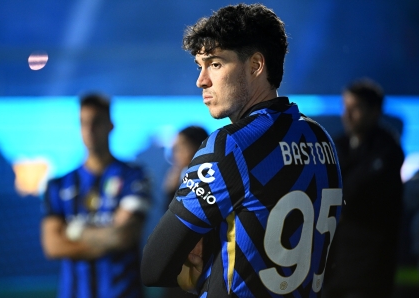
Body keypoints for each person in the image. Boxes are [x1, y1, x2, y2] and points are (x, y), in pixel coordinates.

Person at [141, 3, 343, 297]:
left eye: (216, 64)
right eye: (201, 66)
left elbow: (153, 267)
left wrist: (204, 262)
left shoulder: (230, 145)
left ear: (256, 65)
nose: (201, 80)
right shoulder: (321, 138)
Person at [41, 93, 151, 298]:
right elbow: (52, 246)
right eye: (84, 123)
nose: (89, 130)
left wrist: (73, 232)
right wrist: (106, 238)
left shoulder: (133, 177)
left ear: (110, 125)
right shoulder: (58, 184)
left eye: (96, 122)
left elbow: (124, 235)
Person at [323, 79, 404, 298]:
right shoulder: (337, 146)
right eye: (345, 107)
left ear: (374, 111)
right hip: (333, 267)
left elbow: (352, 193)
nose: (347, 115)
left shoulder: (388, 151)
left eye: (355, 108)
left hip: (369, 270)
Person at [162, 125, 208, 298]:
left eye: (181, 146)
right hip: (177, 263)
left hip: (197, 266)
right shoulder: (177, 178)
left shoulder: (205, 185)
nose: (175, 153)